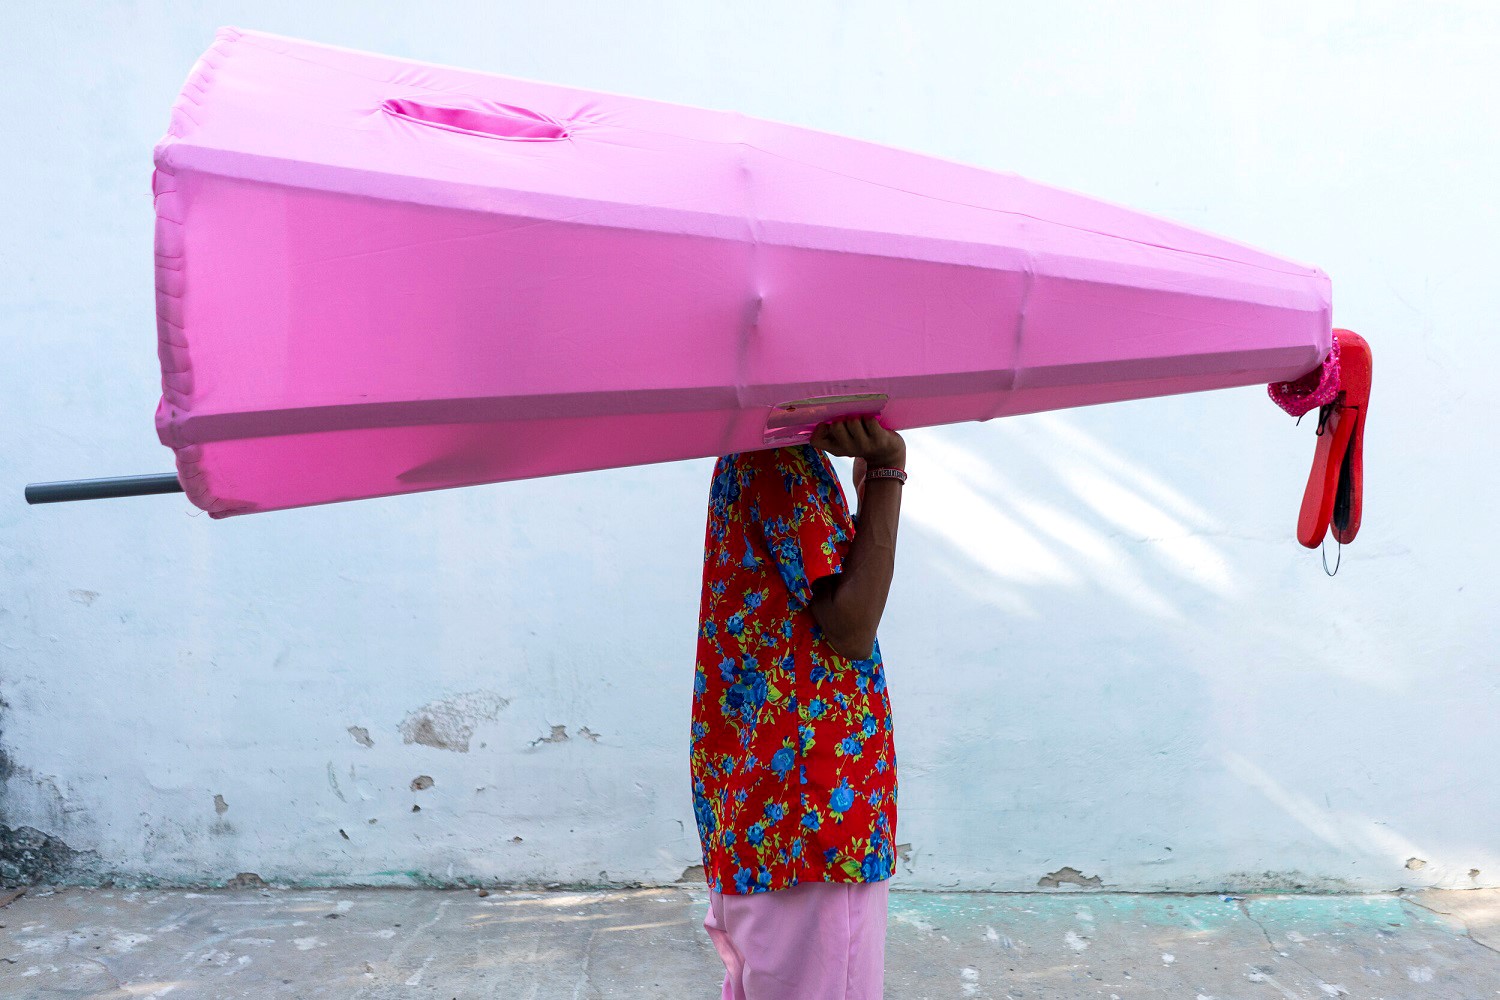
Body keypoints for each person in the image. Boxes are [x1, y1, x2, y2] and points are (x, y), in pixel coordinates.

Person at [690, 415, 907, 999]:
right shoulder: (781, 462)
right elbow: (853, 626)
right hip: (812, 821)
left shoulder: (754, 453)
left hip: (766, 807)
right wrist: (888, 471)